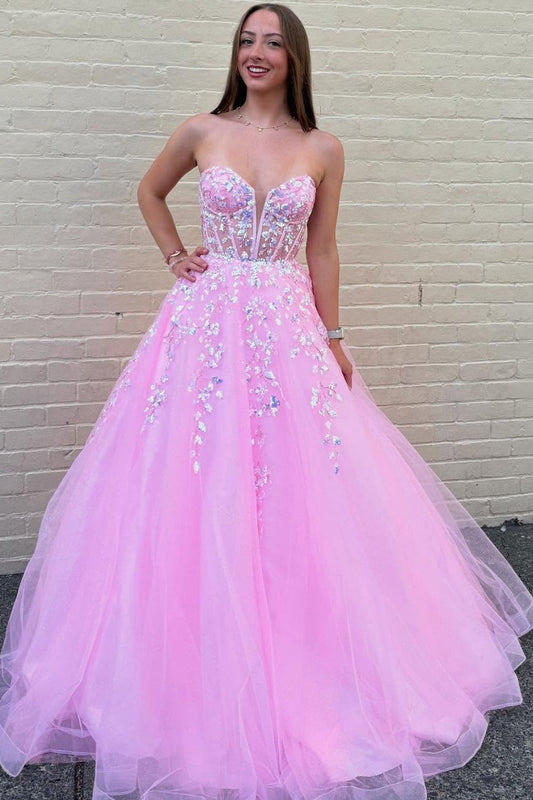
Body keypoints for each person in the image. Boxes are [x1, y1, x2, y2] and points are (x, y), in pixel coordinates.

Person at [0, 4, 532, 800]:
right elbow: (149, 191)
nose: (256, 52)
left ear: (294, 58)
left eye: (272, 42)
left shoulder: (322, 148)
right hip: (203, 327)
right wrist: (175, 256)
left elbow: (321, 245)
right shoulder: (200, 130)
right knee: (190, 475)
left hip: (287, 326)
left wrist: (334, 334)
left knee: (297, 484)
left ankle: (305, 655)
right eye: (246, 40)